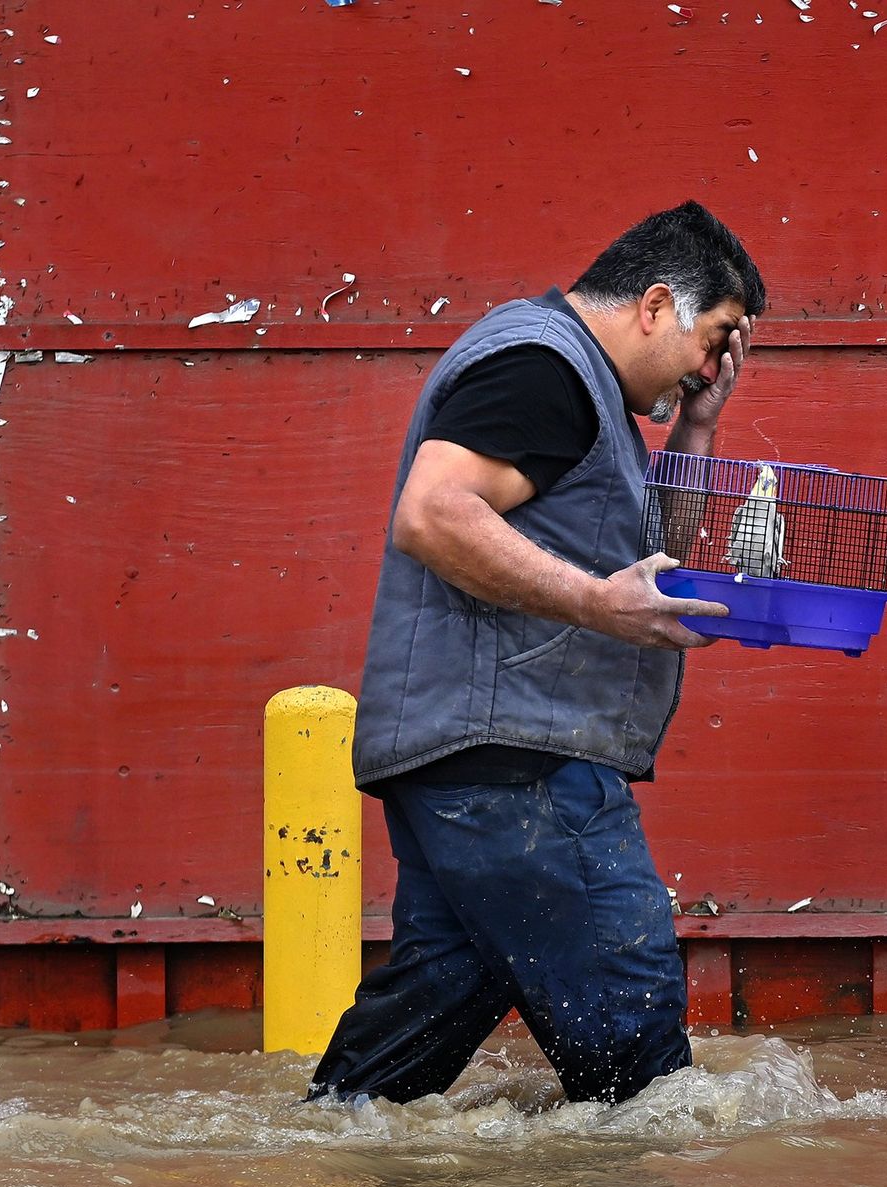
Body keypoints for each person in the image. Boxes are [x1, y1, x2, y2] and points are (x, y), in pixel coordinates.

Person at [307, 201, 765, 1108]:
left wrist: (699, 428)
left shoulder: (592, 399)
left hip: (473, 770)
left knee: (389, 1078)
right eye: (713, 341)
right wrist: (599, 601)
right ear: (655, 304)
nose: (709, 368)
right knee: (642, 1068)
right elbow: (432, 511)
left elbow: (656, 568)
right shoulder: (545, 367)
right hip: (523, 769)